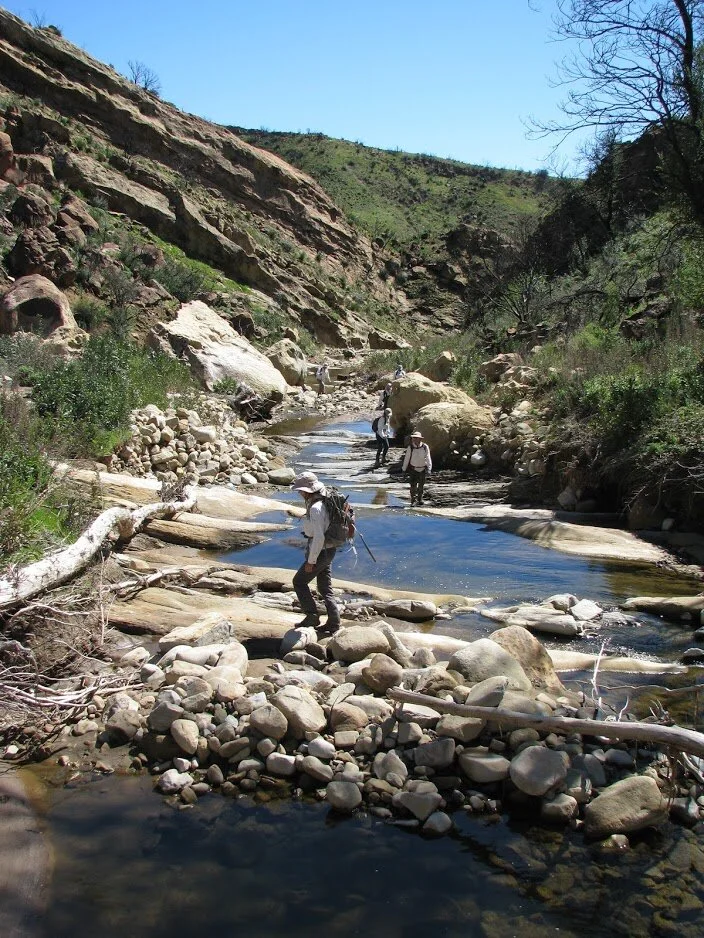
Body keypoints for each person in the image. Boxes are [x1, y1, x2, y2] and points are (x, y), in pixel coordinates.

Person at [291, 471, 341, 634]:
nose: (299, 494)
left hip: (321, 551)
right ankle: (334, 622)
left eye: (300, 491)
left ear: (307, 491)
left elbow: (318, 537)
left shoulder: (316, 508)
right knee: (325, 588)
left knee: (299, 582)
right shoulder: (323, 499)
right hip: (330, 549)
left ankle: (312, 616)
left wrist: (311, 562)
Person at [402, 430, 432, 506]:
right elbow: (407, 459)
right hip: (413, 469)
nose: (414, 439)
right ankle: (413, 500)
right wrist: (404, 469)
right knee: (413, 486)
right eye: (414, 438)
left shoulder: (425, 447)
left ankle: (420, 499)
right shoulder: (410, 447)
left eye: (416, 438)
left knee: (421, 486)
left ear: (420, 439)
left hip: (422, 469)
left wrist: (429, 468)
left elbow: (428, 458)